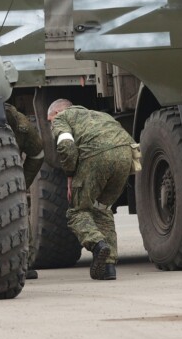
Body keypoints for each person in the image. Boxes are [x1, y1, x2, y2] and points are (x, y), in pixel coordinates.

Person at [46, 99, 135, 281]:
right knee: (102, 209)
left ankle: (98, 244)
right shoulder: (99, 115)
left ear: (56, 112)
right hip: (125, 156)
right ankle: (108, 267)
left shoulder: (62, 118)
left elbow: (66, 146)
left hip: (97, 157)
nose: (51, 125)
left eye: (50, 120)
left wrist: (70, 173)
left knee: (77, 212)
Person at [4, 102, 45, 280]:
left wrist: (22, 183)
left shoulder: (23, 127)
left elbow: (37, 154)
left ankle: (25, 263)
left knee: (19, 213)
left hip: (10, 172)